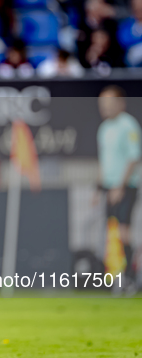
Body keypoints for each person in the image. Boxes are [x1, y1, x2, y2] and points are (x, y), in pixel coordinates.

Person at [93, 85, 142, 292]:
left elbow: (133, 158)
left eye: (109, 103)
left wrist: (120, 187)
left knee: (124, 230)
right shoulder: (104, 128)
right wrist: (99, 188)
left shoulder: (128, 126)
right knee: (112, 231)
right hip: (109, 187)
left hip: (125, 186)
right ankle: (116, 275)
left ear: (121, 103)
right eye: (102, 104)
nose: (105, 107)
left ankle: (131, 276)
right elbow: (105, 162)